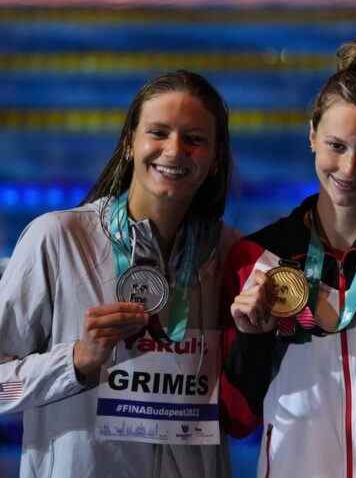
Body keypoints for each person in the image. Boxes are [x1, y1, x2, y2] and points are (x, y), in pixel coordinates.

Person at [0, 70, 239, 477]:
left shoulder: (231, 254)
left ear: (216, 157)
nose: (174, 150)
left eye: (194, 139)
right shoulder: (59, 239)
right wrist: (76, 362)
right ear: (130, 142)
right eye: (158, 132)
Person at [222, 41, 356, 477]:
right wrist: (253, 338)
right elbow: (237, 417)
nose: (350, 168)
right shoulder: (258, 257)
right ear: (312, 135)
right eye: (336, 145)